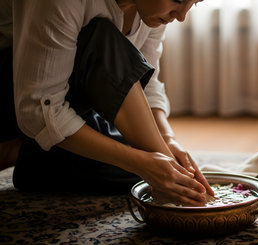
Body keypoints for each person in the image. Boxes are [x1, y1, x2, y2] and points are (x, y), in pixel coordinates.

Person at [0, 0, 214, 206]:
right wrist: (141, 161)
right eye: (177, 0)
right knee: (100, 35)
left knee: (145, 172)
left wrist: (167, 140)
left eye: (194, 3)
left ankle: (26, 153)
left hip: (63, 100)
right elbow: (36, 109)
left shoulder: (153, 12)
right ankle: (32, 147)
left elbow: (145, 81)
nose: (182, 16)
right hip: (18, 94)